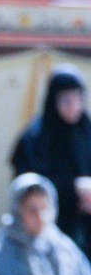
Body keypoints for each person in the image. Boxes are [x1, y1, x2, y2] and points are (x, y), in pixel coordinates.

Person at [11, 64, 91, 260]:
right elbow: (27, 187)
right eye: (66, 100)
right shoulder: (35, 138)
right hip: (46, 229)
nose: (74, 107)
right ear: (53, 100)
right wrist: (73, 187)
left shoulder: (86, 131)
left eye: (79, 99)